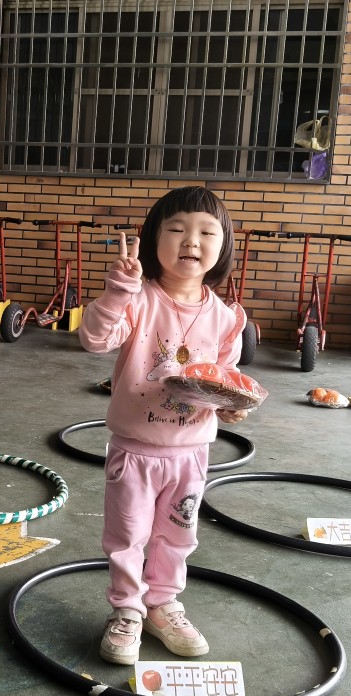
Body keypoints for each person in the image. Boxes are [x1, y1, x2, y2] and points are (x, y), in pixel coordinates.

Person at [78, 186, 250, 664]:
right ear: (154, 240)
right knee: (128, 537)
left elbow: (224, 380)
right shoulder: (139, 300)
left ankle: (162, 605)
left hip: (191, 454)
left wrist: (230, 405)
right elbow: (94, 340)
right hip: (135, 450)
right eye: (176, 229)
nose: (191, 240)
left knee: (177, 536)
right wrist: (118, 291)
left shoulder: (226, 318)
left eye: (206, 232)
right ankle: (128, 610)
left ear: (223, 247)